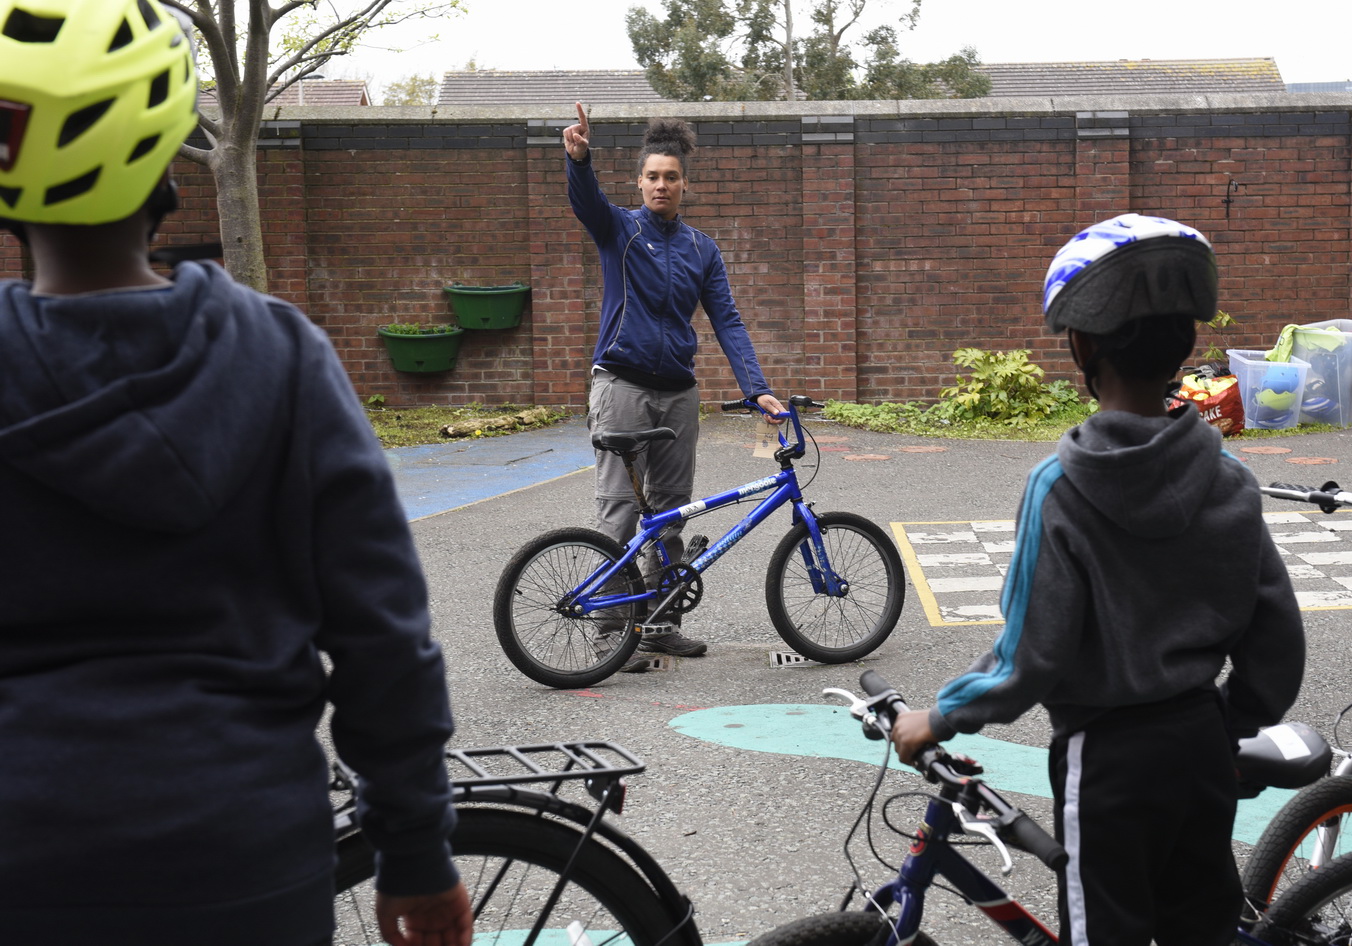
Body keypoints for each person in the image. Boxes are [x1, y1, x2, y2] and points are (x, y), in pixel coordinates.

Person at [0, 2, 471, 944]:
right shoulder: (281, 356)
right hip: (242, 862)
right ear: (169, 153)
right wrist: (415, 856)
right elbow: (382, 636)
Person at [890, 214, 1305, 946]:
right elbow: (1275, 636)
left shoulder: (1059, 487)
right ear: (1184, 342)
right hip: (1202, 744)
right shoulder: (1228, 477)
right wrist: (1225, 724)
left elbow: (1029, 656)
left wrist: (940, 715)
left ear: (1080, 345)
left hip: (1106, 756)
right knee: (1200, 927)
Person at [563, 102, 785, 664]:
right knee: (618, 509)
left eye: (671, 177)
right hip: (621, 385)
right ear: (639, 182)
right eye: (652, 177)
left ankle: (659, 626)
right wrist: (581, 161)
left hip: (678, 393)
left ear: (684, 184)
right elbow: (586, 204)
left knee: (670, 512)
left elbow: (727, 319)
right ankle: (612, 634)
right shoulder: (620, 230)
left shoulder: (700, 249)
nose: (662, 185)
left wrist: (756, 386)